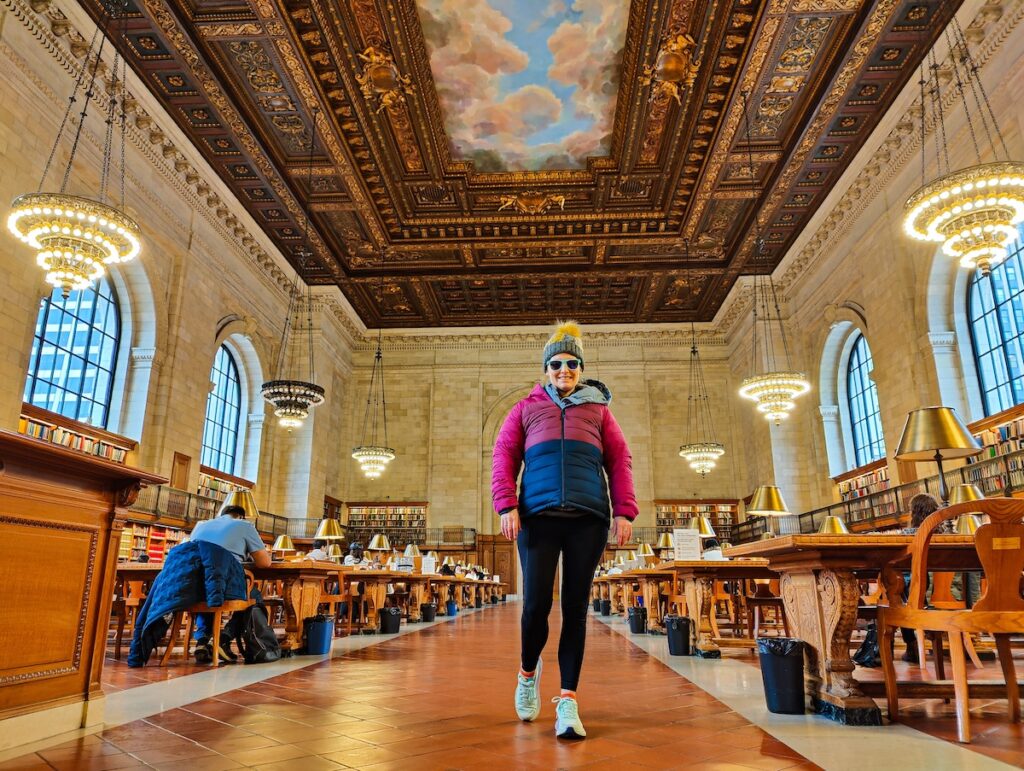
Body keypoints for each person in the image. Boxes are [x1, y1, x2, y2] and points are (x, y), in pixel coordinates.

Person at [492, 320, 638, 740]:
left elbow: (619, 461)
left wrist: (623, 512)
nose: (564, 370)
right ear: (546, 368)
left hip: (588, 520)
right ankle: (526, 675)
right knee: (535, 606)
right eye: (556, 364)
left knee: (575, 609)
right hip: (536, 519)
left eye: (572, 364)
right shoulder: (524, 408)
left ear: (581, 367)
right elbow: (503, 457)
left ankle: (569, 702)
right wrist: (507, 505)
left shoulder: (599, 410)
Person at [189, 504, 271, 663]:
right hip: (224, 582)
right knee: (252, 596)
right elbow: (264, 563)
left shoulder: (200, 525)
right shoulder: (244, 525)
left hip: (194, 585)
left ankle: (202, 641)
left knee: (208, 592)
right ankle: (224, 639)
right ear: (240, 516)